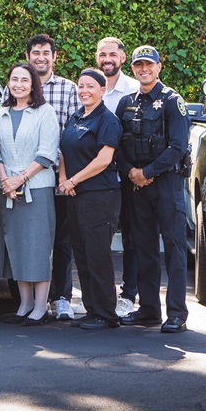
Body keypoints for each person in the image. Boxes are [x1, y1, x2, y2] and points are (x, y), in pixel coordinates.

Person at [115, 46, 190, 334]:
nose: (143, 69)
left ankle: (176, 313)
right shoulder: (126, 103)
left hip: (166, 184)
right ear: (132, 68)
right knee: (143, 248)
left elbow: (178, 147)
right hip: (137, 186)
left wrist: (146, 172)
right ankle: (148, 309)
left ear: (159, 66)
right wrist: (132, 173)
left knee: (174, 249)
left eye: (149, 64)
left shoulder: (172, 101)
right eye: (138, 65)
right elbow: (117, 145)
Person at [18, 34, 81, 322]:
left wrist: (65, 175)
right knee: (29, 240)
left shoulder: (68, 89)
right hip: (27, 181)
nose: (40, 57)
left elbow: (69, 136)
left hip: (58, 177)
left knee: (62, 241)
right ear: (28, 55)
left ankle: (62, 298)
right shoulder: (20, 89)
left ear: (55, 56)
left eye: (46, 52)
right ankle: (25, 299)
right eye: (35, 52)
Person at [0, 63, 60, 326]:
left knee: (38, 247)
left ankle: (41, 306)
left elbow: (47, 153)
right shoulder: (2, 113)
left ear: (34, 84)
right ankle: (25, 304)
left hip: (37, 187)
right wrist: (5, 180)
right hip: (8, 189)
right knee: (17, 245)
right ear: (8, 83)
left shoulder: (45, 112)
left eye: (24, 80)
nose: (18, 84)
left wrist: (19, 179)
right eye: (14, 79)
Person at [58, 69, 123, 330]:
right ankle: (92, 309)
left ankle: (107, 314)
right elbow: (64, 151)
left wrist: (74, 181)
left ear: (102, 90)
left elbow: (104, 160)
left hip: (100, 196)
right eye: (81, 86)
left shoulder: (108, 120)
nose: (84, 90)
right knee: (82, 254)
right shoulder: (76, 117)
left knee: (97, 255)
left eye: (91, 86)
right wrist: (65, 180)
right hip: (75, 195)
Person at [95, 36, 141, 316]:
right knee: (98, 238)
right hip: (98, 177)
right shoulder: (90, 89)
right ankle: (100, 296)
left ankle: (129, 295)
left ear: (123, 58)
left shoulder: (134, 90)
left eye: (113, 54)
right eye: (103, 54)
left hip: (127, 175)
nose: (107, 59)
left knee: (132, 237)